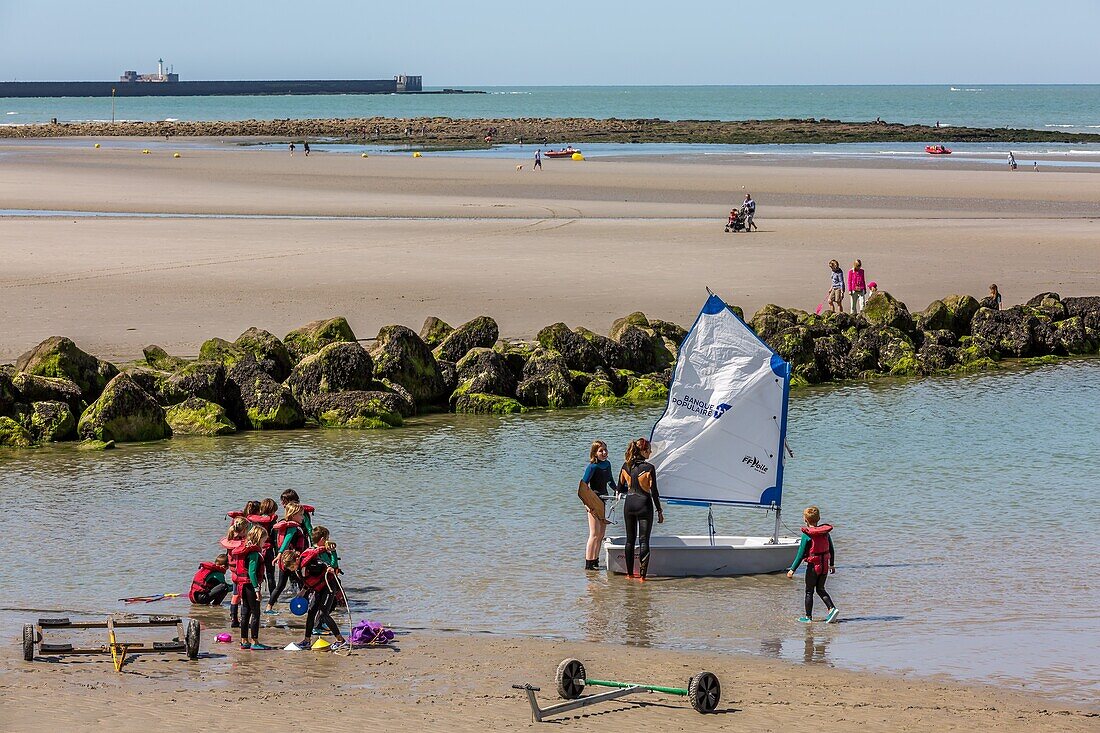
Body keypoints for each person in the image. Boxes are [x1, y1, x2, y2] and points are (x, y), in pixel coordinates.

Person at [283, 548, 349, 651]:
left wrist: (330, 567)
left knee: (323, 614)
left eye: (292, 566)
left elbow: (324, 565)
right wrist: (303, 591)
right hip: (318, 589)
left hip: (329, 587)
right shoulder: (300, 568)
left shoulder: (311, 565)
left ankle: (341, 641)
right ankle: (307, 641)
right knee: (311, 611)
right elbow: (310, 580)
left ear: (296, 559)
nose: (292, 569)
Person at [617, 437, 663, 580]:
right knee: (644, 541)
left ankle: (629, 575)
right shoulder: (649, 468)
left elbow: (620, 488)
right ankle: (642, 578)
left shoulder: (625, 466)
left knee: (630, 540)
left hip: (629, 505)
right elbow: (654, 492)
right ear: (643, 451)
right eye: (649, 450)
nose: (650, 452)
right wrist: (659, 511)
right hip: (644, 505)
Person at [786, 505, 838, 623]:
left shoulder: (806, 535)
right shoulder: (825, 533)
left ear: (805, 520)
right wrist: (832, 564)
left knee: (809, 591)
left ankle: (808, 617)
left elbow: (800, 555)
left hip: (813, 568)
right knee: (820, 589)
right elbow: (831, 549)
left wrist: (792, 570)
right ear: (819, 518)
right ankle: (831, 608)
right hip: (824, 566)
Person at [231, 525, 271, 648]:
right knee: (255, 613)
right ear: (259, 539)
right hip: (250, 585)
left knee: (245, 612)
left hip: (241, 585)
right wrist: (257, 589)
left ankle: (244, 641)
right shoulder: (253, 553)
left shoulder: (245, 549)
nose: (264, 544)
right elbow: (252, 572)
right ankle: (255, 641)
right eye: (263, 541)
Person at [265, 502, 309, 613]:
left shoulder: (286, 526)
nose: (303, 517)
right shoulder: (293, 528)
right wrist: (279, 553)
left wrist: (279, 556)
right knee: (303, 583)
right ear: (293, 515)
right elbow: (286, 541)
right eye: (301, 514)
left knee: (280, 585)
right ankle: (306, 605)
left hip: (285, 561)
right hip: (294, 561)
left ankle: (269, 607)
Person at [580, 440, 615, 570]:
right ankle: (589, 564)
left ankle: (595, 561)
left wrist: (620, 489)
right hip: (593, 502)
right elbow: (583, 486)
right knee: (594, 534)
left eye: (605, 450)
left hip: (604, 501)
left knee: (600, 535)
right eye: (601, 451)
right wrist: (587, 504)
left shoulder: (607, 464)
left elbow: (611, 482)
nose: (604, 452)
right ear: (595, 453)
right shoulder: (592, 467)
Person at [220, 517, 248, 627]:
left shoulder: (231, 541)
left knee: (235, 595)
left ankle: (233, 619)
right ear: (244, 530)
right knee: (244, 597)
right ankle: (243, 619)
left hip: (234, 573)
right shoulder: (243, 544)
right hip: (242, 574)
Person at [249, 498, 279, 596]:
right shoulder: (272, 522)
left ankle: (255, 595)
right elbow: (275, 540)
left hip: (257, 551)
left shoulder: (254, 521)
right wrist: (277, 552)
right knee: (270, 576)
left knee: (257, 574)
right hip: (269, 550)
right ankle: (273, 597)